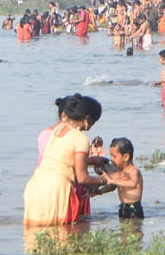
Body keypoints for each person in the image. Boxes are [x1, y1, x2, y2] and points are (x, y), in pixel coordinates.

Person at [23, 94, 107, 226]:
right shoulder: (81, 138)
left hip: (34, 188)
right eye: (93, 121)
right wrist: (104, 180)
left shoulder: (56, 130)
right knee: (63, 237)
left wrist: (90, 161)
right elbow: (83, 178)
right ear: (87, 118)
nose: (92, 126)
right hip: (57, 190)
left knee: (36, 240)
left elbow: (63, 160)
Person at [106, 138, 145, 219]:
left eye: (114, 156)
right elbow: (111, 185)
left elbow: (133, 183)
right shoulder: (119, 172)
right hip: (123, 207)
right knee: (123, 230)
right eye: (111, 156)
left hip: (134, 207)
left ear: (126, 157)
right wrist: (99, 191)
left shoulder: (134, 171)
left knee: (134, 229)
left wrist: (113, 180)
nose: (112, 159)